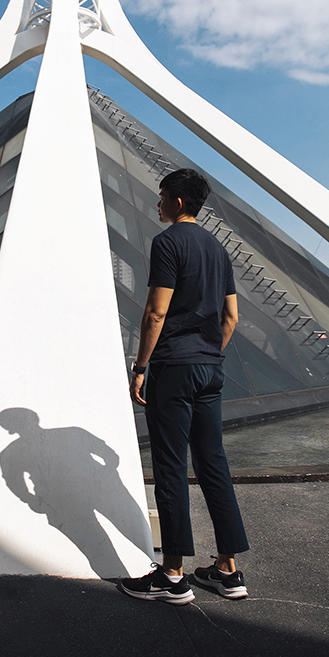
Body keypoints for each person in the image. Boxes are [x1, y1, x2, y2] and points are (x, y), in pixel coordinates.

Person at [119, 168, 249, 605]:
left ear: (177, 202)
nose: (157, 204)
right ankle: (227, 570)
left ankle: (172, 576)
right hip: (210, 367)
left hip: (174, 367)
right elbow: (231, 318)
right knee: (213, 464)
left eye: (161, 197)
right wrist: (208, 352)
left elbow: (156, 312)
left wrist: (141, 366)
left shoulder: (168, 242)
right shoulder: (218, 249)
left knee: (171, 466)